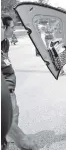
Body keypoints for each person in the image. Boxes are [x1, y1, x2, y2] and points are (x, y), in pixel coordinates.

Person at [1, 15, 38, 150]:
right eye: (12, 27)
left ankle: (8, 142)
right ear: (3, 28)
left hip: (9, 89)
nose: (14, 30)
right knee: (9, 120)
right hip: (4, 92)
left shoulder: (5, 43)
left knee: (14, 115)